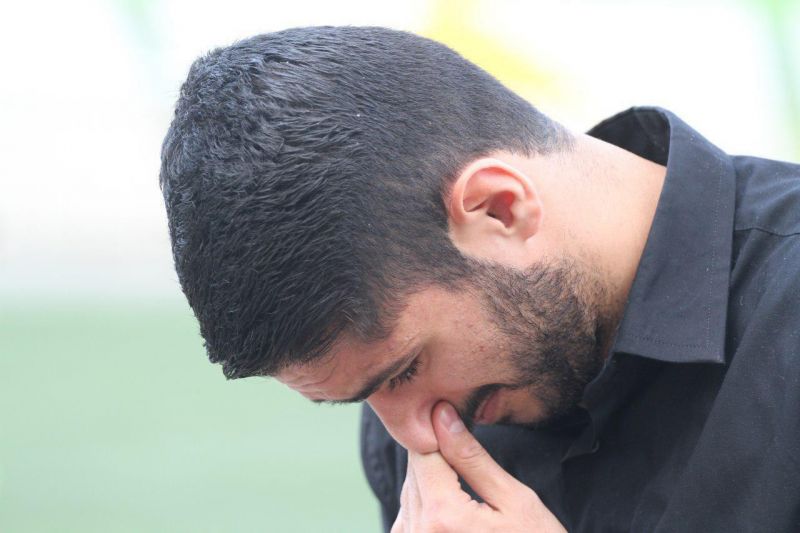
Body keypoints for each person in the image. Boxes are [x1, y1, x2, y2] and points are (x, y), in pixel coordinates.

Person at [159, 26, 800, 532]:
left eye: (405, 370)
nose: (413, 436)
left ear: (499, 208)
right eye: (362, 399)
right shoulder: (423, 411)